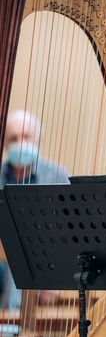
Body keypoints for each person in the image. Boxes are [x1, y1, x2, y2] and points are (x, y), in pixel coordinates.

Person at [0, 110, 69, 309]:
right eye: (13, 138)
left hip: (42, 267)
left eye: (26, 136)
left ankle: (10, 327)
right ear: (5, 143)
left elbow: (67, 232)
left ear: (38, 139)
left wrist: (55, 279)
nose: (20, 143)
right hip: (2, 265)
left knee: (20, 258)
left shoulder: (57, 176)